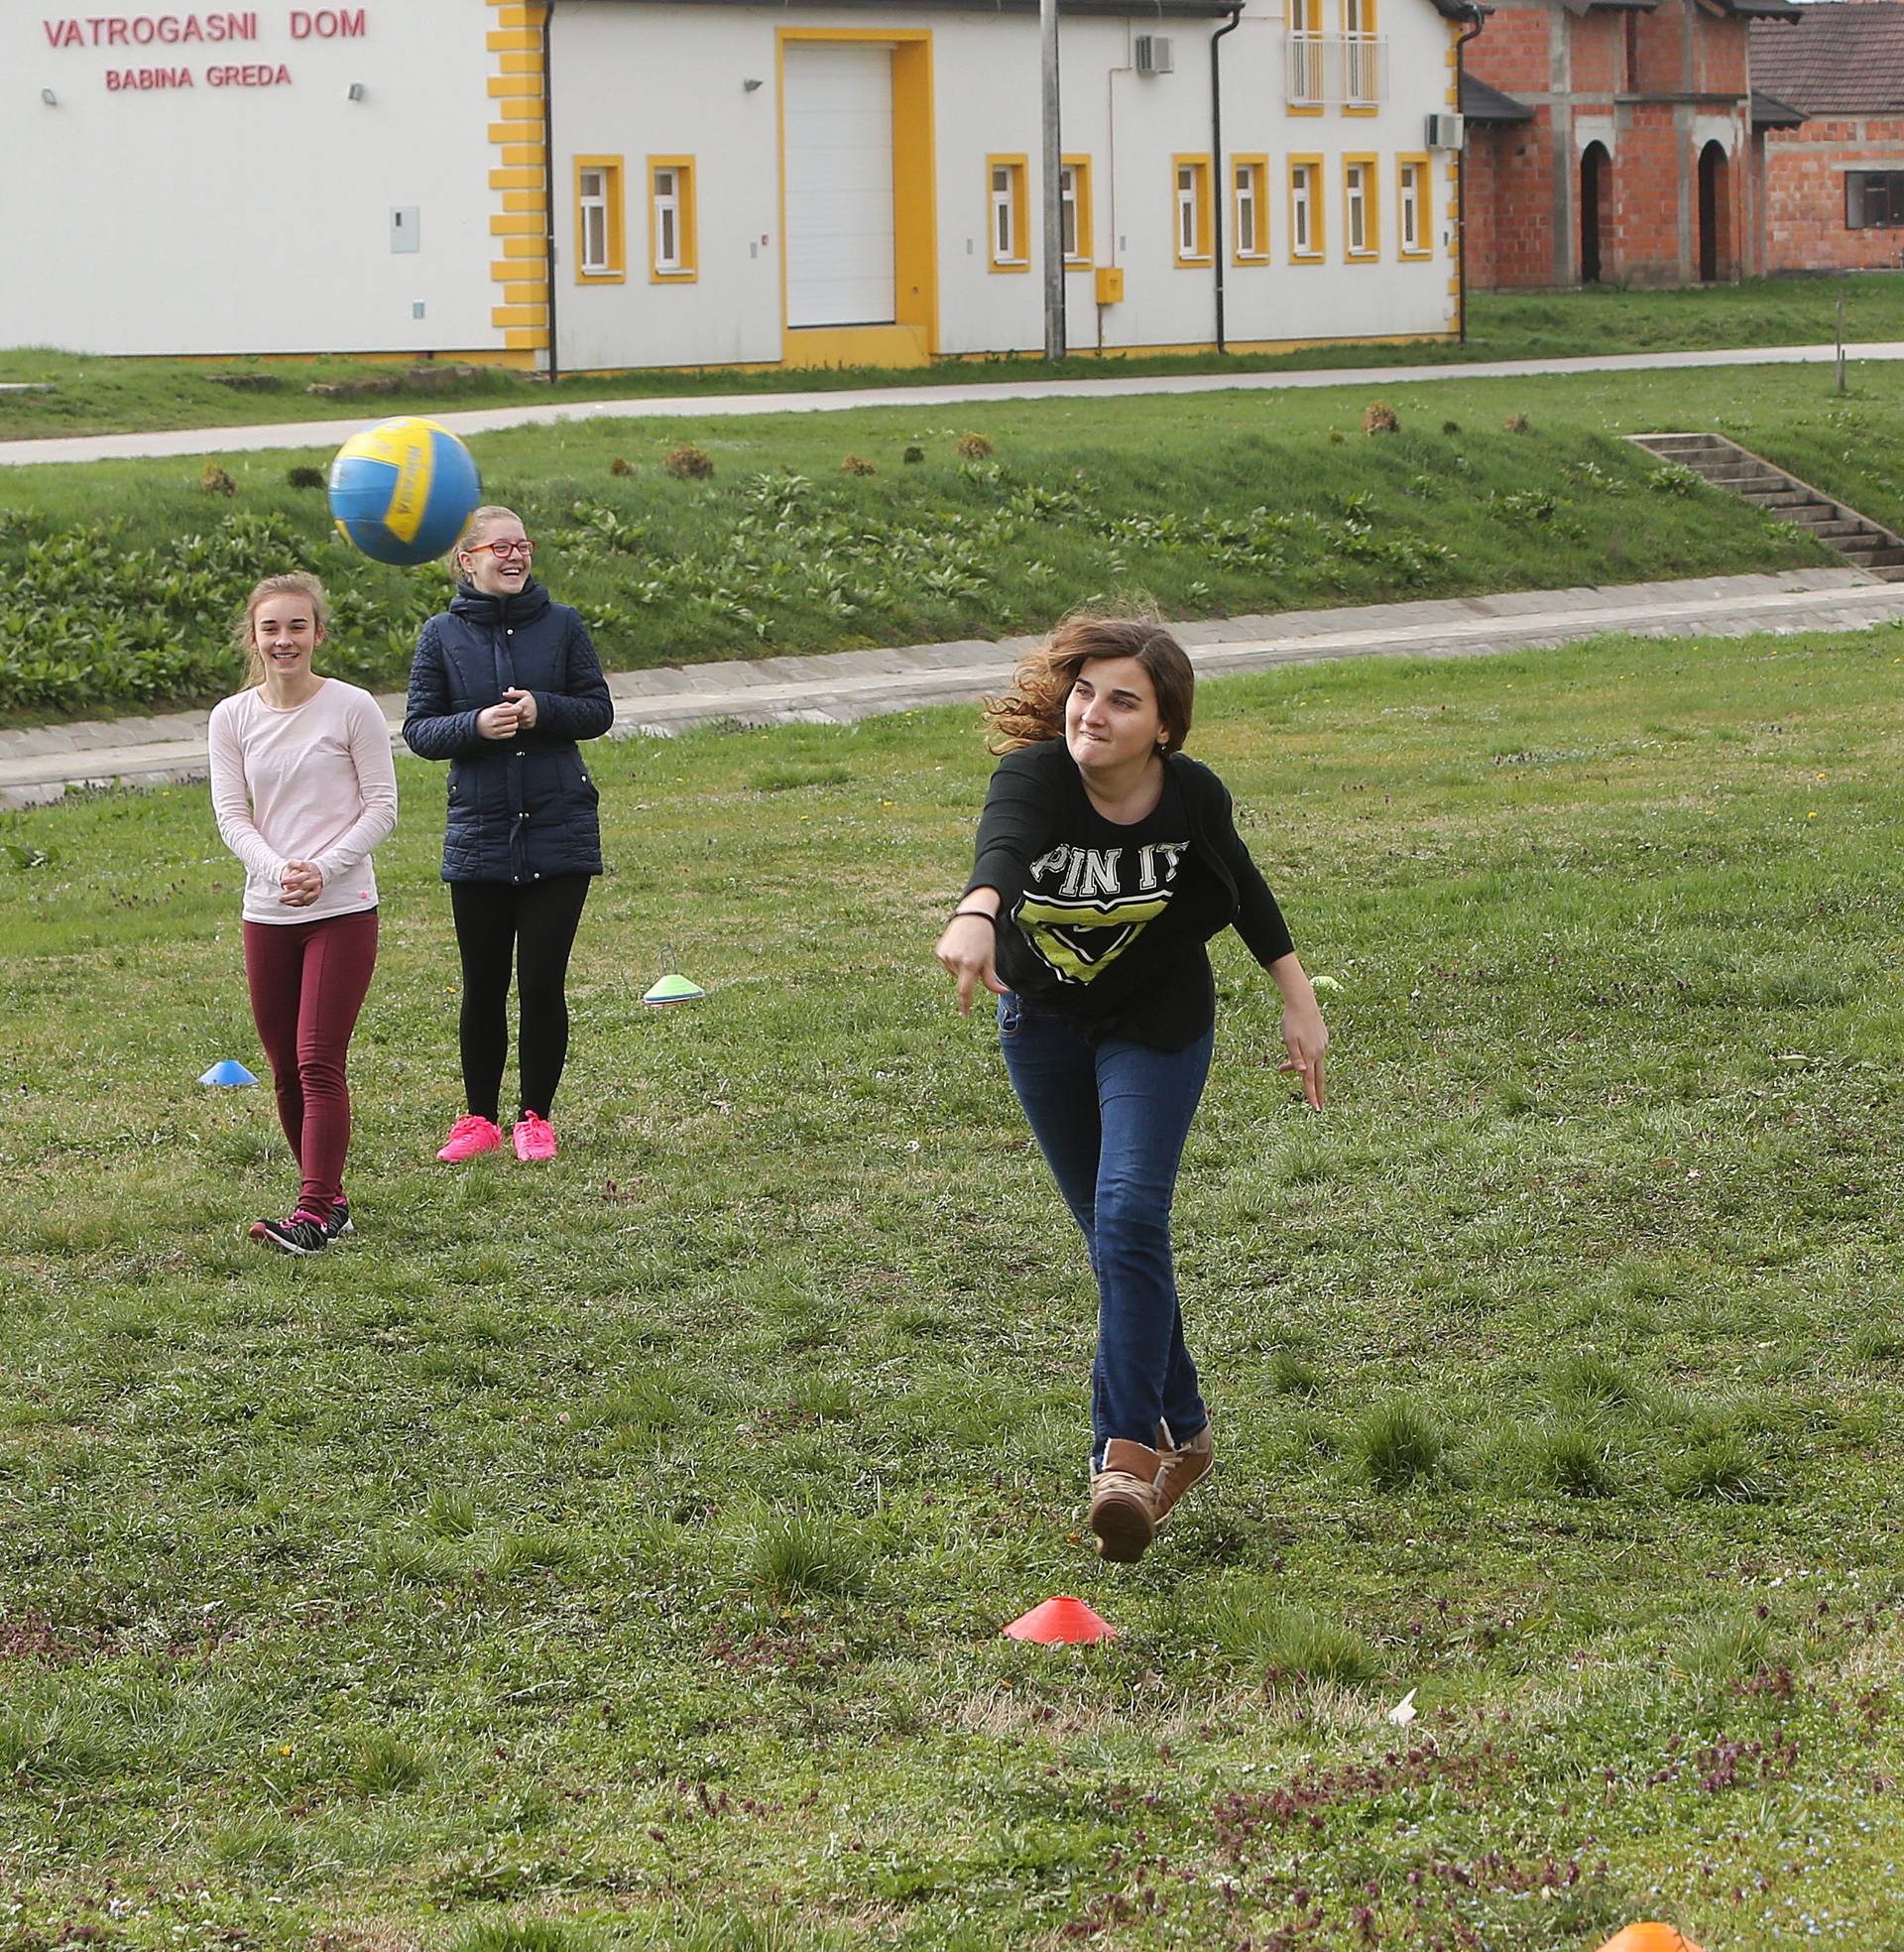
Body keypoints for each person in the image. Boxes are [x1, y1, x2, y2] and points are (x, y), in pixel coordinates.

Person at [935, 614, 1328, 1565]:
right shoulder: (1035, 777)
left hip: (1157, 1026)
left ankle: (1124, 1453)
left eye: (1123, 700)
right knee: (1116, 1236)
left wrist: (1298, 999)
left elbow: (1244, 891)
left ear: (1164, 726)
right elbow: (1003, 847)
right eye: (1084, 692)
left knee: (1128, 1213)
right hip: (1045, 1027)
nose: (1093, 714)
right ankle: (1185, 1432)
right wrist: (976, 912)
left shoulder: (1189, 796)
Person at [404, 505, 614, 1163]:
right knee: (483, 984)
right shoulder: (440, 635)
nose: (516, 556)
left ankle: (535, 1118)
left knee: (543, 984)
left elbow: (597, 710)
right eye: (501, 547)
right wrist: (475, 726)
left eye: (524, 544)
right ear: (468, 560)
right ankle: (478, 1119)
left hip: (559, 831)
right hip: (481, 837)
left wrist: (541, 710)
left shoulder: (563, 625)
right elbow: (418, 730)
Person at [208, 572, 399, 1256]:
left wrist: (325, 869)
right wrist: (275, 870)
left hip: (343, 907)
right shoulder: (230, 718)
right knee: (285, 1066)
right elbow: (233, 816)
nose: (283, 640)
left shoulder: (352, 708)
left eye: (296, 627)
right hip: (268, 911)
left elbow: (382, 806)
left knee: (319, 1059)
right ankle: (332, 1200)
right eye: (271, 629)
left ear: (318, 633)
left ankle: (314, 1212)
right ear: (254, 640)